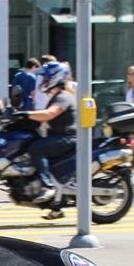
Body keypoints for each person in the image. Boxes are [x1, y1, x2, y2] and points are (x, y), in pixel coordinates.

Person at [21, 61, 77, 219]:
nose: (43, 82)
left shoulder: (63, 96)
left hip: (67, 138)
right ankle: (56, 206)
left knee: (36, 148)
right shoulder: (56, 96)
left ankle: (47, 185)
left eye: (46, 78)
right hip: (58, 136)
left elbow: (49, 114)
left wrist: (26, 114)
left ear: (55, 78)